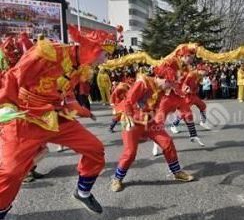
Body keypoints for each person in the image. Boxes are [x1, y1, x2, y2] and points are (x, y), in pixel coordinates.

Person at [0, 25, 115, 218]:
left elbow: (66, 92)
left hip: (56, 116)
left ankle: (82, 192)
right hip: (26, 116)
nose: (105, 59)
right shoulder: (48, 52)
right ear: (92, 49)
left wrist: (81, 110)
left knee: (95, 148)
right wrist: (6, 105)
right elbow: (13, 76)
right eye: (104, 53)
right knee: (10, 172)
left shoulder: (81, 67)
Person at [110, 69, 195, 192]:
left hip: (149, 121)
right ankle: (117, 178)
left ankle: (176, 172)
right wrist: (128, 115)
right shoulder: (143, 83)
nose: (170, 87)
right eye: (170, 83)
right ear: (165, 80)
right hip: (131, 121)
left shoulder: (161, 89)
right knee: (130, 153)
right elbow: (129, 100)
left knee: (167, 142)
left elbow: (166, 103)